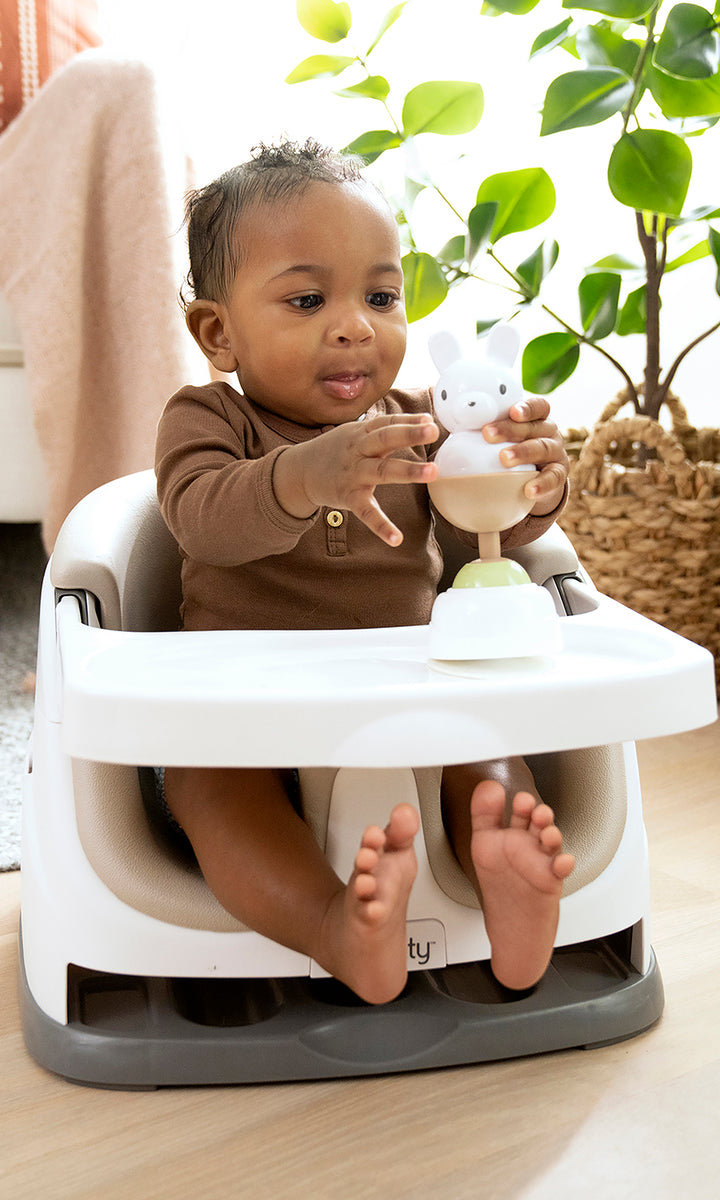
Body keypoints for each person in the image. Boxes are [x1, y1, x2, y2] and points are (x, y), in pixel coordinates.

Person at [155, 139, 575, 1005]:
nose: (356, 326)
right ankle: (332, 925)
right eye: (308, 300)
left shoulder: (425, 425)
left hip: (411, 687)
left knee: (487, 754)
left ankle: (507, 871)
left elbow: (482, 536)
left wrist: (529, 481)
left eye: (381, 298)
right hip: (246, 709)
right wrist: (302, 477)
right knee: (206, 787)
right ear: (218, 333)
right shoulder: (207, 420)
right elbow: (200, 519)